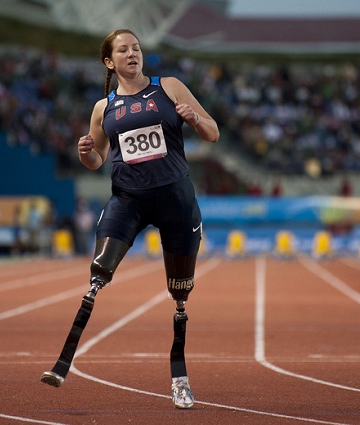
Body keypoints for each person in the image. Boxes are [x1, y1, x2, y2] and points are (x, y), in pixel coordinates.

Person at [76, 29, 219, 409]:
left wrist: (192, 119)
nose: (132, 53)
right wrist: (86, 152)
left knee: (180, 292)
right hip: (129, 200)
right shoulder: (102, 108)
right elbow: (96, 161)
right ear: (110, 62)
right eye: (123, 50)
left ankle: (180, 376)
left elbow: (212, 133)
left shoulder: (169, 87)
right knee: (99, 268)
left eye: (136, 48)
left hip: (175, 199)